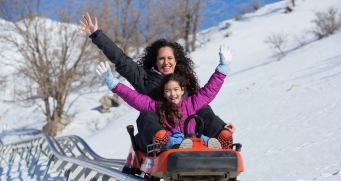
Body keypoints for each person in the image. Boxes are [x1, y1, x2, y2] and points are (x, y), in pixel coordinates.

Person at [78, 12, 235, 151]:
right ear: (155, 61)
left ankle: (221, 136)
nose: (166, 62)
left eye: (169, 58)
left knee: (203, 108)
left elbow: (207, 93)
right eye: (161, 58)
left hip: (191, 134)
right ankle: (162, 140)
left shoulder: (184, 83)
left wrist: (223, 67)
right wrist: (96, 35)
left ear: (176, 61)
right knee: (146, 114)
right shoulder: (145, 79)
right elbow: (121, 60)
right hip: (159, 134)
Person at [96, 44, 234, 150]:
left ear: (182, 90)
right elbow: (133, 97)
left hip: (193, 139)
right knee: (170, 135)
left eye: (175, 90)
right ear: (163, 92)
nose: (172, 94)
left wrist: (223, 67)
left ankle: (218, 140)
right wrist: (112, 83)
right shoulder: (156, 105)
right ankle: (166, 143)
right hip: (172, 139)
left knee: (202, 133)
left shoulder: (192, 102)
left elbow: (209, 90)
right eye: (168, 91)